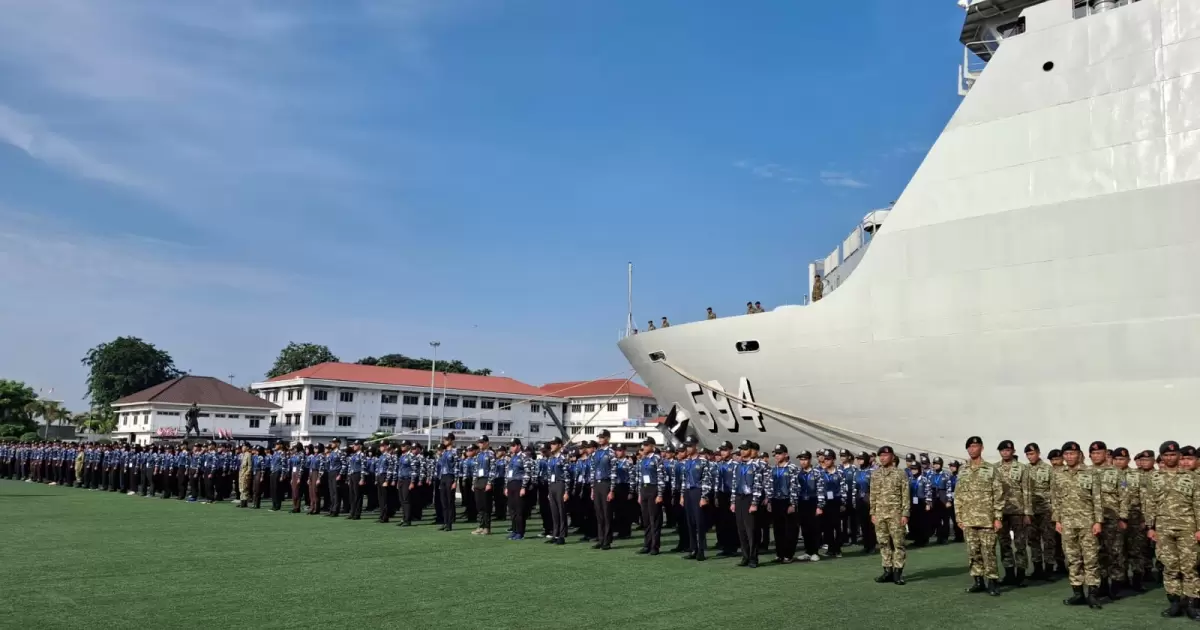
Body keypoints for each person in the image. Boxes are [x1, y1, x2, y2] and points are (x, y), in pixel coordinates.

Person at [1144, 441, 1200, 619]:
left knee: (1190, 567)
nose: (1169, 458)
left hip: (1188, 528)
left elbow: (1198, 504)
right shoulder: (1154, 477)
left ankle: (1192, 604)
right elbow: (1150, 503)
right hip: (1163, 528)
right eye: (1166, 455)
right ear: (1162, 457)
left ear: (1179, 456)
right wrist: (1150, 527)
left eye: (1173, 454)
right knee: (1170, 567)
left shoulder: (1192, 477)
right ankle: (1175, 603)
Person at [1051, 440, 1104, 609]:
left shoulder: (1091, 473)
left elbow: (1097, 499)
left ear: (1079, 455)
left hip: (1087, 523)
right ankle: (1078, 593)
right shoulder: (1058, 473)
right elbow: (1056, 499)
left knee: (1091, 559)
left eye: (1072, 453)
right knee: (1073, 559)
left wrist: (1098, 521)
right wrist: (1057, 520)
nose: (1069, 457)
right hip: (1067, 523)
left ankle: (1093, 595)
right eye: (1066, 454)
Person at [957, 436, 1003, 596]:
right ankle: (978, 581)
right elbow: (958, 495)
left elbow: (998, 494)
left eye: (975, 446)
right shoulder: (963, 470)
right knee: (973, 552)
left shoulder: (990, 469)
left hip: (986, 519)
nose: (972, 449)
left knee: (989, 552)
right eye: (969, 447)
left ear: (981, 448)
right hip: (968, 519)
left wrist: (998, 517)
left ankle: (992, 582)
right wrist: (959, 517)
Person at [871, 445, 911, 584]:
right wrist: (872, 512)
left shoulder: (900, 474)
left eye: (885, 455)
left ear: (892, 457)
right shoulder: (875, 474)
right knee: (883, 543)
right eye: (880, 456)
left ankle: (897, 572)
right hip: (880, 514)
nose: (882, 458)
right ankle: (887, 570)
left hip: (896, 514)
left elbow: (905, 494)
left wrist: (905, 513)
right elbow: (873, 495)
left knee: (898, 543)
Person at [996, 439, 1033, 587]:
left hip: (1018, 511)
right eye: (1003, 450)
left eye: (1008, 450)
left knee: (1020, 544)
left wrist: (1027, 512)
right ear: (1000, 452)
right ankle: (1009, 574)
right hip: (1002, 512)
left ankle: (1021, 575)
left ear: (1013, 451)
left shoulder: (1022, 468)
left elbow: (1027, 491)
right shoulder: (994, 468)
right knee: (1004, 543)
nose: (1005, 452)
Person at [1024, 443, 1056, 580]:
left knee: (1049, 540)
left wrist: (1054, 510)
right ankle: (1037, 569)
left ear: (1038, 453)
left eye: (1032, 454)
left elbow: (1054, 490)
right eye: (1028, 455)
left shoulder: (1049, 469)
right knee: (1033, 540)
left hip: (1046, 510)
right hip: (1031, 511)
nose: (1030, 457)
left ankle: (1049, 569)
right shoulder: (1024, 470)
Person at [731, 440, 763, 567]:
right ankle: (745, 556)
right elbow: (734, 484)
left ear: (750, 450)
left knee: (752, 530)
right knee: (741, 530)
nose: (743, 451)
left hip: (750, 498)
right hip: (739, 498)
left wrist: (754, 503)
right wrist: (733, 501)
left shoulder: (756, 466)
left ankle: (753, 558)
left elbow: (758, 486)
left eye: (745, 449)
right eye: (741, 449)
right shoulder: (737, 466)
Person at [767, 444, 799, 564]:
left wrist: (793, 504)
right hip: (776, 500)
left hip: (787, 501)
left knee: (789, 529)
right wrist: (769, 501)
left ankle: (788, 554)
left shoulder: (792, 468)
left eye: (779, 453)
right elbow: (770, 485)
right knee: (778, 529)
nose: (777, 456)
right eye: (776, 453)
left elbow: (794, 487)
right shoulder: (774, 468)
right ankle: (779, 553)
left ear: (786, 454)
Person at [816, 449, 848, 558]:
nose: (826, 461)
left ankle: (837, 549)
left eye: (828, 459)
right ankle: (830, 548)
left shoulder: (840, 472)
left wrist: (843, 503)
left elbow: (843, 488)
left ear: (833, 459)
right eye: (825, 459)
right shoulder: (820, 473)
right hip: (825, 503)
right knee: (827, 528)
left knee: (837, 527)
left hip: (837, 502)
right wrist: (819, 505)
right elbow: (819, 489)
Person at [636, 438, 665, 555]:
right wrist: (639, 493)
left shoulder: (657, 459)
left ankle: (655, 546)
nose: (645, 447)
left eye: (647, 445)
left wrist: (660, 494)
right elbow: (639, 477)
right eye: (644, 445)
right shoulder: (642, 460)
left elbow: (661, 477)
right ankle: (647, 544)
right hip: (644, 489)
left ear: (653, 446)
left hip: (653, 489)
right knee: (646, 519)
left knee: (655, 519)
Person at [590, 430, 616, 550]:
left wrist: (612, 490)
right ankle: (600, 539)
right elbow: (592, 471)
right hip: (597, 484)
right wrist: (592, 488)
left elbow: (614, 472)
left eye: (602, 437)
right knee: (599, 513)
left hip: (606, 484)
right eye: (599, 437)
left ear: (607, 438)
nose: (600, 439)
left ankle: (607, 540)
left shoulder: (611, 452)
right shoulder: (596, 453)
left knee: (607, 513)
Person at [505, 438, 534, 540]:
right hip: (511, 483)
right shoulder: (511, 457)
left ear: (518, 446)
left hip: (519, 483)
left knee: (519, 510)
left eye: (513, 445)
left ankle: (520, 532)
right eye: (510, 445)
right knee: (512, 509)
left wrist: (523, 487)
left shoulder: (524, 456)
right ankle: (514, 530)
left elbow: (527, 472)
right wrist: (506, 486)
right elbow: (507, 472)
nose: (511, 447)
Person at [545, 437, 572, 545]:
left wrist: (566, 491)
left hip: (560, 484)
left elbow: (567, 476)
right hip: (552, 485)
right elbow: (548, 475)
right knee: (554, 512)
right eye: (551, 443)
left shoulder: (563, 458)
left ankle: (562, 535)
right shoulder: (551, 459)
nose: (552, 445)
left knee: (561, 511)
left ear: (560, 445)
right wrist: (548, 490)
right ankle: (555, 534)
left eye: (554, 443)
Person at [347, 441, 366, 520]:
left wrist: (362, 478)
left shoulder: (362, 455)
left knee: (358, 495)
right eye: (354, 445)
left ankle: (357, 513)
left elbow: (363, 467)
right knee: (352, 495)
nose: (354, 446)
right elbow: (350, 466)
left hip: (358, 475)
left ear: (360, 446)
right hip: (352, 475)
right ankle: (352, 512)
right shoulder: (353, 455)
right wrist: (348, 478)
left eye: (356, 445)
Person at [237, 443, 252, 508]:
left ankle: (244, 502)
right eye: (242, 446)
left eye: (244, 446)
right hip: (241, 474)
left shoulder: (248, 455)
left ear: (247, 447)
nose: (242, 448)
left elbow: (250, 466)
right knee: (241, 488)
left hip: (245, 474)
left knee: (244, 489)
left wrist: (247, 474)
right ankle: (242, 502)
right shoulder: (242, 455)